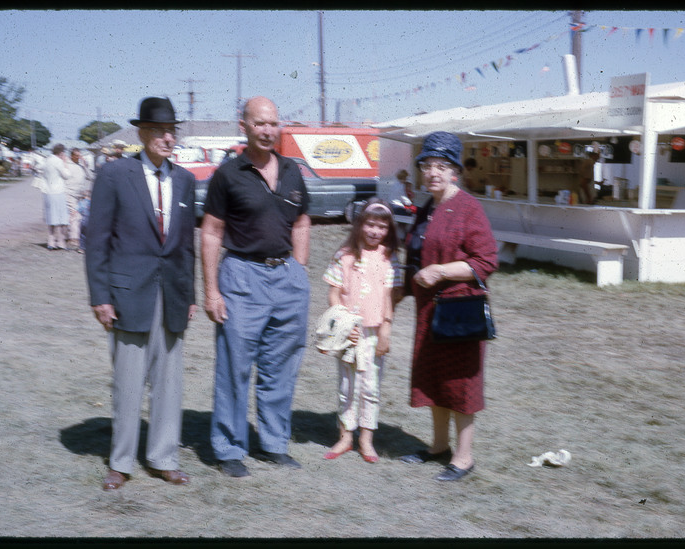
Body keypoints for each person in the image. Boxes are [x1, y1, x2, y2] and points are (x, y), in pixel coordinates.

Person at [85, 97, 198, 491]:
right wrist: (100, 295)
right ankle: (121, 462)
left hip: (172, 296)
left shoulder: (185, 180)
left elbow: (185, 245)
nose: (168, 138)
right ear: (142, 134)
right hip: (127, 295)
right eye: (160, 131)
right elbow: (97, 240)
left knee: (169, 382)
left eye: (172, 131)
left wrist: (190, 295)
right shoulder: (115, 175)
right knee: (128, 382)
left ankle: (164, 458)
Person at [201, 96, 311, 478]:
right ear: (243, 125)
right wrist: (212, 291)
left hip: (286, 278)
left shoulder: (294, 171)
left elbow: (301, 221)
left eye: (273, 124)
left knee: (281, 367)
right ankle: (228, 448)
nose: (267, 131)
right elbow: (212, 231)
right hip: (242, 277)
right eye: (259, 123)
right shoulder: (228, 174)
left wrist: (298, 268)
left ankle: (273, 443)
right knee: (235, 367)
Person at [398, 131, 498, 482]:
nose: (434, 172)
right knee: (435, 380)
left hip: (459, 313)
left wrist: (440, 271)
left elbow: (486, 261)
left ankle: (464, 457)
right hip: (429, 312)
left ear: (455, 171)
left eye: (442, 166)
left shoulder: (469, 207)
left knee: (460, 385)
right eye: (428, 165)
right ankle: (438, 446)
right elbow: (416, 256)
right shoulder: (428, 207)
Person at [320, 198, 402, 464]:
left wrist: (386, 330)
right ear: (359, 224)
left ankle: (366, 439)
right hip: (349, 332)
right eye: (370, 224)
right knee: (347, 386)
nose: (375, 231)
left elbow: (388, 297)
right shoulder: (344, 255)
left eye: (381, 227)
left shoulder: (388, 258)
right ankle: (345, 436)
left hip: (374, 332)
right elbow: (334, 294)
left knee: (370, 387)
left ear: (388, 230)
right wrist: (344, 325)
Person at [40, 143, 72, 250]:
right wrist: (65, 163)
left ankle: (51, 241)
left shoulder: (47, 160)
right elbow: (67, 175)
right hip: (58, 191)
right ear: (62, 152)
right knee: (61, 218)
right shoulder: (58, 161)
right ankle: (61, 242)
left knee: (51, 217)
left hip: (48, 192)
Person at [64, 148, 92, 251]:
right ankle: (74, 239)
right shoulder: (67, 165)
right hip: (70, 194)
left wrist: (85, 166)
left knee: (80, 217)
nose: (78, 157)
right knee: (75, 215)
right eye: (76, 155)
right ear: (71, 155)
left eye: (79, 155)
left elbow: (91, 177)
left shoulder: (81, 166)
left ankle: (75, 237)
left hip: (80, 195)